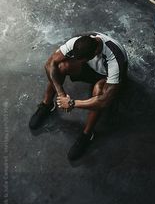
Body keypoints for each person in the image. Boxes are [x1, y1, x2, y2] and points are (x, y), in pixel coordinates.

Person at [29, 32, 128, 161]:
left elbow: (105, 101)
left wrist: (72, 103)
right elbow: (50, 63)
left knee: (98, 91)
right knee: (61, 66)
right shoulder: (78, 41)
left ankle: (87, 134)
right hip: (91, 68)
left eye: (80, 59)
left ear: (95, 53)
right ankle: (47, 104)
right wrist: (61, 94)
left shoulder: (115, 58)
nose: (75, 59)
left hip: (107, 77)